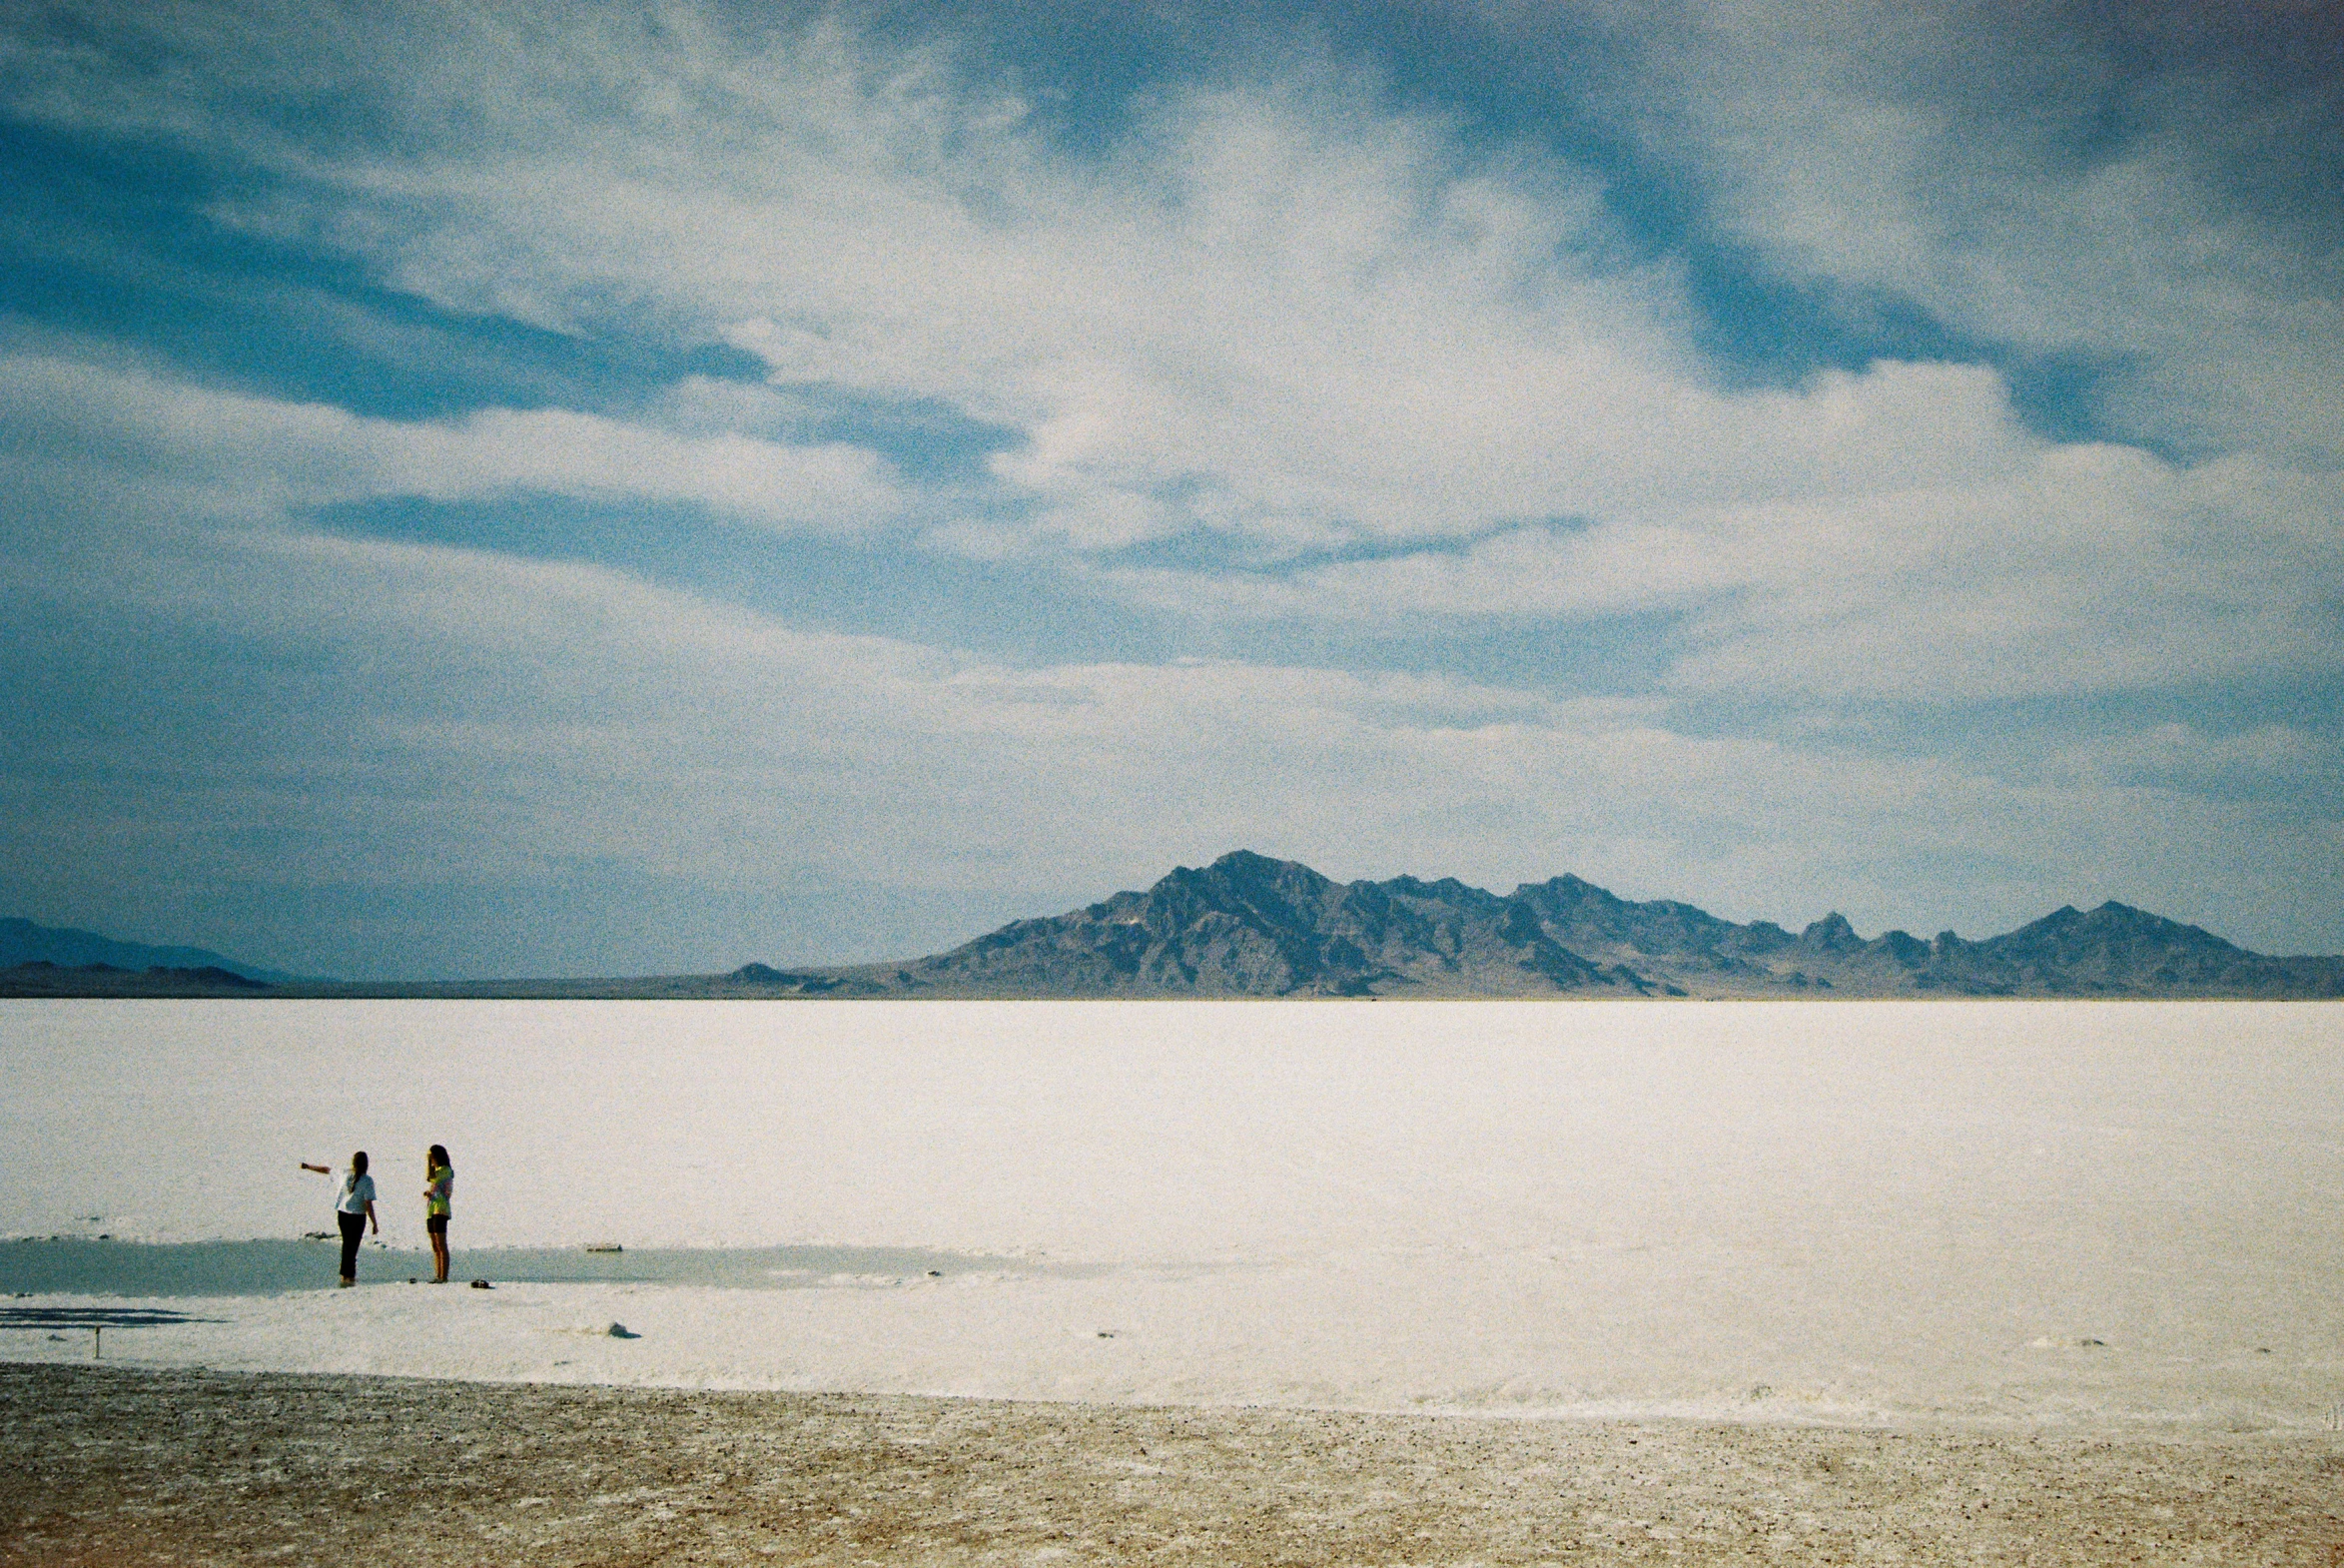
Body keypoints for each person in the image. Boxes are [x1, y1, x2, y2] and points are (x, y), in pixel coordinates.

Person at [301, 1152, 378, 1285]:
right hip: (358, 1217)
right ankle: (349, 1276)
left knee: (347, 1245)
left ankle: (345, 1275)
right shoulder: (367, 1181)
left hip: (343, 1214)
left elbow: (326, 1170)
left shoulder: (344, 1173)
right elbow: (368, 1204)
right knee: (352, 1247)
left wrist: (309, 1167)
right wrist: (374, 1223)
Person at [423, 1145, 454, 1284]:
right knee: (435, 1244)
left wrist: (428, 1162)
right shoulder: (437, 1171)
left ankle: (444, 1276)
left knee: (441, 1244)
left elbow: (432, 1177)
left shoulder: (445, 1170)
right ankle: (438, 1275)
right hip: (432, 1208)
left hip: (441, 1209)